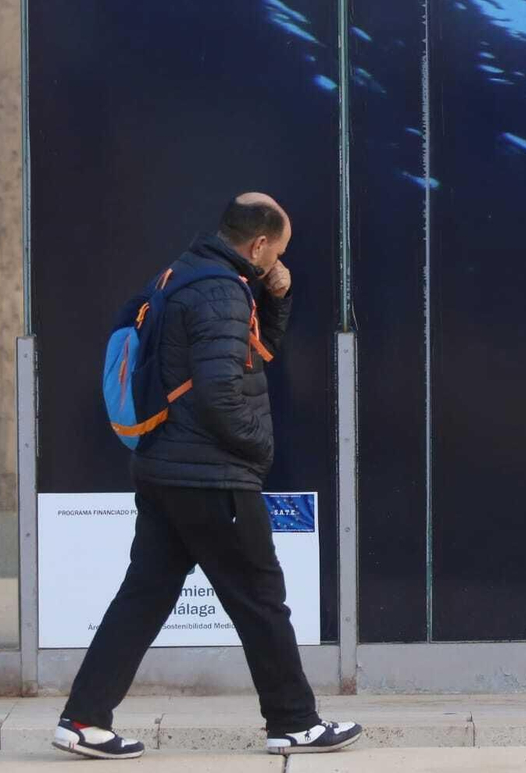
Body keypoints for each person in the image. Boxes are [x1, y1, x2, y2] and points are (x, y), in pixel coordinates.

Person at [53, 194, 361, 760]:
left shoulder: (187, 274)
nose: (279, 261)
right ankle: (294, 722)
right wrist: (257, 449)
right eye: (279, 253)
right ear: (260, 245)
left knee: (144, 596)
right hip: (210, 474)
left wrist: (278, 296)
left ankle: (83, 720)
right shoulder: (221, 290)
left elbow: (253, 351)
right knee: (261, 598)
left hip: (165, 468)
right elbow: (223, 390)